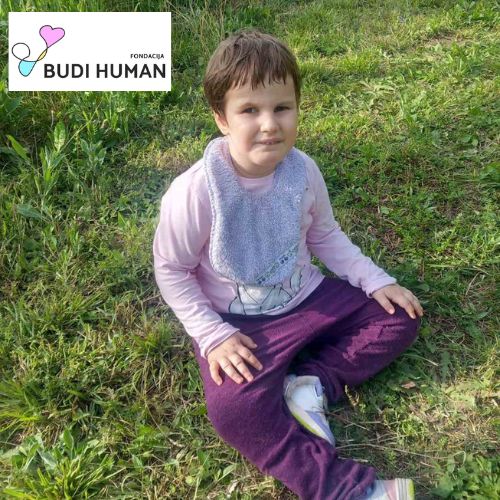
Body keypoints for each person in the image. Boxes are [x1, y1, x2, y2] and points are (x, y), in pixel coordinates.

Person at [153, 29, 424, 500]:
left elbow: (325, 235)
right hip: (240, 327)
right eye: (249, 110)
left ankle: (311, 385)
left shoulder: (303, 172)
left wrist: (375, 280)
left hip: (307, 298)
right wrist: (213, 335)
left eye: (282, 107)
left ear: (298, 108)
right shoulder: (196, 191)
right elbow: (171, 268)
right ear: (221, 118)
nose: (269, 125)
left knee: (399, 315)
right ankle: (347, 490)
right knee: (234, 413)